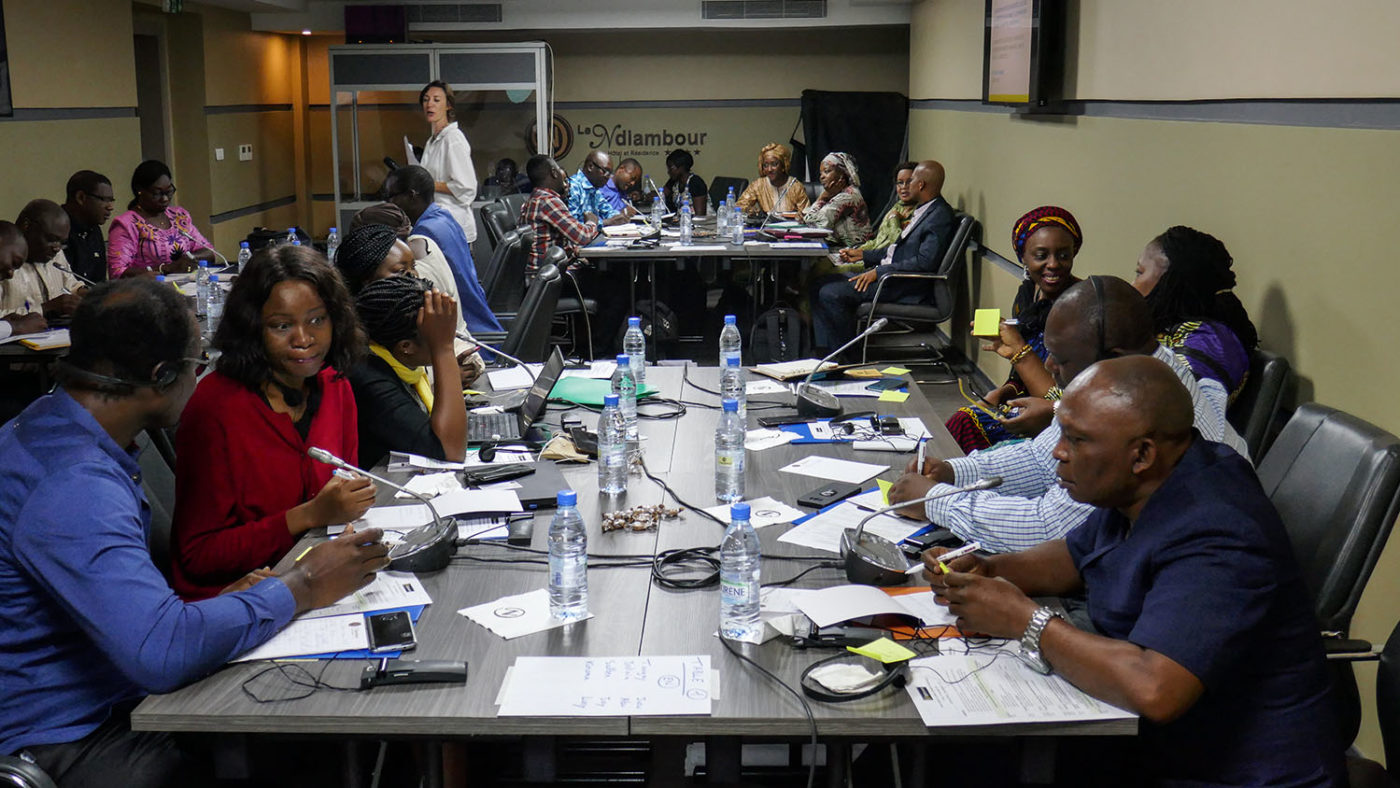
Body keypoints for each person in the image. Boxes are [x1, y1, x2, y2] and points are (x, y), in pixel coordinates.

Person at [0, 277, 389, 786]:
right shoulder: (73, 484)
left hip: (103, 690)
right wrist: (303, 584)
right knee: (299, 749)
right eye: (194, 365)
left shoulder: (48, 429)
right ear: (162, 376)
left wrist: (215, 609)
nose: (198, 377)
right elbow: (161, 653)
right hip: (64, 735)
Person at [926, 355, 1344, 786]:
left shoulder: (1219, 528)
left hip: (1233, 771)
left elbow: (1156, 689)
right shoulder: (1142, 484)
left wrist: (1025, 621)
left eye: (1076, 439)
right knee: (952, 754)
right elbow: (1075, 556)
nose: (1058, 451)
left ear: (1142, 453)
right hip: (1152, 743)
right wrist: (989, 569)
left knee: (971, 762)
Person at [888, 276, 1249, 554]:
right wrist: (955, 472)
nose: (1048, 367)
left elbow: (1048, 530)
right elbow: (1039, 458)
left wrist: (936, 500)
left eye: (1061, 359)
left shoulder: (1136, 411)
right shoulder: (1124, 379)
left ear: (1112, 355)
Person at [170, 245, 376, 601]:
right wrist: (305, 516)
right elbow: (197, 557)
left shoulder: (335, 385)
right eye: (282, 326)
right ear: (252, 329)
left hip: (320, 581)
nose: (304, 339)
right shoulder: (215, 408)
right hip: (239, 598)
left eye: (317, 320)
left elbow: (344, 494)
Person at [944, 206, 1084, 452]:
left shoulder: (1081, 305)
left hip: (1061, 416)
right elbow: (1019, 376)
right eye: (1042, 255)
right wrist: (1004, 391)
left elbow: (1064, 398)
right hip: (1026, 401)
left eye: (1063, 255)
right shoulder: (1028, 294)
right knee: (962, 422)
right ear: (1023, 258)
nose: (1054, 265)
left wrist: (1018, 350)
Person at [810, 160, 953, 354]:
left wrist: (879, 272)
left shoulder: (939, 216)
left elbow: (924, 262)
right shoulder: (924, 210)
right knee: (818, 283)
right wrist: (863, 255)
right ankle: (825, 349)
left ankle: (845, 357)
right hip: (891, 276)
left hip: (901, 284)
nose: (906, 186)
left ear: (921, 185)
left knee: (831, 293)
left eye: (911, 181)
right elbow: (898, 250)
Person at [346, 205, 485, 387]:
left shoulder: (414, 295)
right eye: (401, 271)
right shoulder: (366, 350)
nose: (414, 276)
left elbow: (450, 335)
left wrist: (455, 363)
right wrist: (448, 374)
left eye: (413, 267)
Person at [349, 276, 468, 468]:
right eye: (443, 333)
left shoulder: (394, 360)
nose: (450, 337)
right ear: (406, 346)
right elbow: (450, 451)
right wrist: (443, 348)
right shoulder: (368, 378)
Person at [1133, 225, 1259, 398]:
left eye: (1139, 273)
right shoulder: (1171, 328)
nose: (1133, 285)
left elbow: (1164, 404)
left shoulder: (1208, 340)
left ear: (1169, 283)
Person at [383, 165, 502, 335]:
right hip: (481, 322)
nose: (388, 204)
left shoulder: (423, 236)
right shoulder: (444, 218)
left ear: (411, 195)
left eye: (391, 197)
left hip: (466, 334)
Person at [107, 160, 216, 278]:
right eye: (157, 193)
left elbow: (209, 252)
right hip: (147, 291)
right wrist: (167, 268)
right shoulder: (127, 224)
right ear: (140, 190)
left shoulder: (179, 217)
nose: (165, 199)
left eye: (168, 192)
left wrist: (190, 258)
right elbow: (118, 272)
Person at [1, 199, 85, 321]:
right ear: (26, 225)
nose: (57, 248)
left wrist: (84, 293)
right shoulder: (4, 260)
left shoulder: (55, 253)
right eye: (51, 239)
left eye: (62, 242)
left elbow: (70, 284)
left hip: (54, 334)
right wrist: (44, 309)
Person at [417, 80, 479, 244]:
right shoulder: (432, 141)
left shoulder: (453, 138)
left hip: (454, 228)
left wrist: (428, 183)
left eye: (436, 100)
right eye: (426, 99)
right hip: (438, 226)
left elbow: (466, 187)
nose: (430, 104)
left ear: (448, 106)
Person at [520, 154, 600, 275]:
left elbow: (554, 241)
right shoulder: (548, 202)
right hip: (549, 275)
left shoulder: (535, 198)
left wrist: (573, 251)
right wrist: (592, 221)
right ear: (554, 173)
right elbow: (582, 237)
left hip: (544, 272)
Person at [835, 161, 917, 267]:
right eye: (900, 182)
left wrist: (893, 219)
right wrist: (855, 251)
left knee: (825, 272)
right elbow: (878, 241)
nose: (904, 187)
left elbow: (897, 244)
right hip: (870, 255)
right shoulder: (898, 206)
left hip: (884, 262)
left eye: (909, 182)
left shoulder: (918, 213)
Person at [801, 152, 872, 248]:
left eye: (827, 171)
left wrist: (823, 197)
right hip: (840, 248)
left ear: (842, 174)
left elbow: (815, 226)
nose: (821, 176)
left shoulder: (848, 196)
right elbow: (807, 217)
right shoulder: (839, 193)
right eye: (821, 173)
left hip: (851, 253)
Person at [58, 169, 115, 284]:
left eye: (111, 201)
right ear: (81, 197)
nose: (110, 207)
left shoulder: (94, 228)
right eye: (104, 200)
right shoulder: (56, 227)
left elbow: (99, 282)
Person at [734, 142, 810, 217]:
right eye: (765, 165)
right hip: (766, 227)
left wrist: (801, 216)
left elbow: (806, 214)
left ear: (783, 166)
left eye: (774, 164)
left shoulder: (796, 186)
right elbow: (739, 206)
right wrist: (749, 210)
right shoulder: (758, 185)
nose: (769, 169)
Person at [567, 150, 634, 226]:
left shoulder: (594, 189)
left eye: (610, 173)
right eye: (605, 171)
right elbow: (573, 226)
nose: (608, 177)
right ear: (590, 167)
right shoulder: (573, 187)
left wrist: (619, 217)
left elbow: (607, 210)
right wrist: (606, 222)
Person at [662, 148, 708, 216]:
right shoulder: (674, 181)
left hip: (703, 225)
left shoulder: (696, 183)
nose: (668, 172)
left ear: (681, 167)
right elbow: (661, 195)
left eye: (671, 168)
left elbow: (700, 216)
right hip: (683, 222)